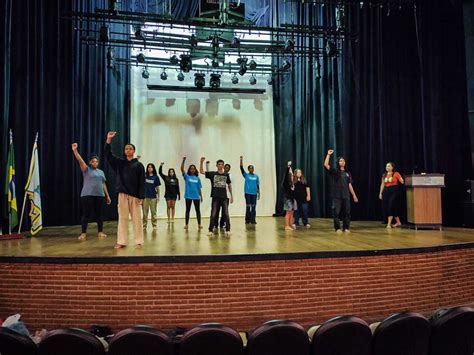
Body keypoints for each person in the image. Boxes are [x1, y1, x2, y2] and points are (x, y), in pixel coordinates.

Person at [104, 131, 145, 248]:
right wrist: (108, 139)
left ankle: (138, 241)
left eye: (130, 149)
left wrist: (141, 196)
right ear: (124, 151)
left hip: (135, 196)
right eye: (126, 149)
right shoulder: (120, 163)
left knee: (137, 219)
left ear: (133, 151)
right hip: (122, 194)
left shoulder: (139, 165)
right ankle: (121, 241)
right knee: (122, 219)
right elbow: (108, 155)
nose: (128, 150)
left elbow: (142, 182)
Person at [71, 143, 111, 241]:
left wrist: (108, 196)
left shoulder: (101, 172)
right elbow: (80, 160)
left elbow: (103, 184)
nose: (95, 163)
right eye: (93, 161)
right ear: (90, 162)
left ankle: (100, 232)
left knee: (99, 215)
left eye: (97, 162)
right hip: (87, 195)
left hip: (100, 195)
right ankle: (83, 233)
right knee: (86, 214)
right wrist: (75, 150)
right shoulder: (86, 170)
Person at [324, 149, 358, 233]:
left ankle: (346, 228)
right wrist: (328, 155)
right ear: (338, 162)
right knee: (336, 212)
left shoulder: (347, 173)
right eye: (341, 161)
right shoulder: (335, 171)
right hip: (337, 196)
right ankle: (337, 228)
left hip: (346, 195)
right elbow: (326, 165)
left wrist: (354, 195)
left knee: (347, 213)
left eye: (343, 161)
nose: (342, 162)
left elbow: (349, 185)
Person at [200, 157, 233, 236]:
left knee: (226, 213)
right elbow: (201, 171)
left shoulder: (226, 175)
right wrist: (201, 162)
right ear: (216, 165)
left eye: (222, 164)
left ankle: (228, 230)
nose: (220, 166)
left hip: (224, 197)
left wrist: (231, 195)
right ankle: (210, 230)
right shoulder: (213, 174)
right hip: (215, 197)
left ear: (223, 166)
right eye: (219, 164)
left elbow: (229, 185)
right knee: (213, 214)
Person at [379, 162, 404, 228]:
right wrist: (380, 193)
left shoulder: (396, 173)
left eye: (389, 166)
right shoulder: (384, 174)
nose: (387, 167)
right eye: (386, 166)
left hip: (394, 191)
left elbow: (402, 181)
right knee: (390, 207)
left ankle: (389, 224)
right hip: (386, 191)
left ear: (392, 167)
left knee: (391, 206)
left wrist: (401, 179)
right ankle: (398, 222)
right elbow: (382, 184)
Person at [181, 157, 203, 230]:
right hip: (188, 196)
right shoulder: (187, 177)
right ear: (189, 170)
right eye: (191, 168)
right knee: (188, 210)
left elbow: (199, 188)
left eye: (193, 168)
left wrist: (201, 196)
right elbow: (182, 169)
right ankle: (186, 224)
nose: (192, 170)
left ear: (195, 170)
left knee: (198, 210)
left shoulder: (197, 178)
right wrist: (183, 161)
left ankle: (199, 224)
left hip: (196, 197)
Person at [240, 156, 260, 224]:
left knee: (253, 207)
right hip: (248, 193)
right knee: (248, 207)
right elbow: (241, 168)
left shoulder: (256, 176)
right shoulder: (246, 175)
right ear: (248, 169)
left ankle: (253, 220)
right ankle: (247, 220)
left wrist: (258, 193)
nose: (251, 169)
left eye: (252, 168)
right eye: (250, 168)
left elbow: (257, 185)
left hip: (254, 193)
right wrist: (241, 159)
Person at [143, 163, 161, 230]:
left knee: (153, 212)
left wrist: (158, 197)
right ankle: (144, 225)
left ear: (153, 168)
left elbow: (158, 188)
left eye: (151, 167)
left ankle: (154, 225)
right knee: (145, 213)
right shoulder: (144, 176)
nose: (149, 168)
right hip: (145, 197)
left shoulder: (156, 177)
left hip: (153, 197)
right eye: (148, 167)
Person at [282, 161, 296, 231]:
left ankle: (290, 224)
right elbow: (286, 174)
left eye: (293, 175)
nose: (293, 176)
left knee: (292, 212)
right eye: (291, 175)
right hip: (288, 199)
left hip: (292, 199)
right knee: (288, 212)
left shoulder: (293, 184)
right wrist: (288, 167)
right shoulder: (285, 183)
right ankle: (287, 226)